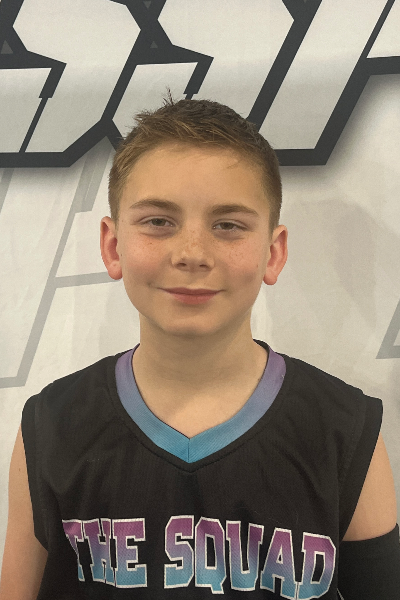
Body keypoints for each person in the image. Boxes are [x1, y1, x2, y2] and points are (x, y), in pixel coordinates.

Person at [1, 92, 399, 600]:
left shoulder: (344, 429)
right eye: (158, 221)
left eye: (228, 225)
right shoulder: (51, 424)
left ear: (273, 252)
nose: (192, 253)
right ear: (112, 245)